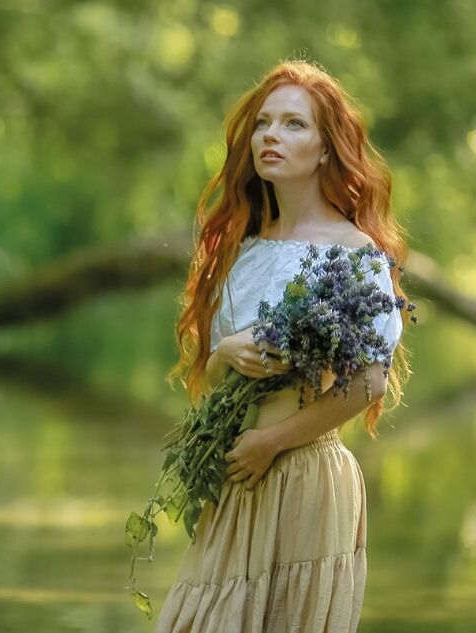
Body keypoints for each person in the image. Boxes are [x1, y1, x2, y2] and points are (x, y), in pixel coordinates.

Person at [154, 60, 413, 632]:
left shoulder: (353, 254)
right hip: (239, 471)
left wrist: (270, 443)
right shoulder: (242, 248)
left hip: (301, 472)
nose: (271, 135)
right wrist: (225, 354)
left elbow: (368, 382)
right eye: (264, 123)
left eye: (294, 124)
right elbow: (221, 368)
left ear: (326, 150)